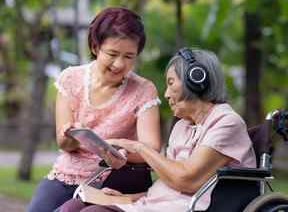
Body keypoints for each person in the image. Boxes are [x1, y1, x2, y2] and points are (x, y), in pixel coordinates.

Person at [59, 47, 256, 212]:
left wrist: (139, 147)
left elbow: (185, 180)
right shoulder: (182, 126)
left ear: (197, 79)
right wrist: (127, 198)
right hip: (156, 205)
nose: (166, 94)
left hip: (189, 207)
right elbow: (169, 186)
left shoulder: (226, 122)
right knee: (71, 207)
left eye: (171, 83)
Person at [27, 7, 161, 212]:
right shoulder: (70, 79)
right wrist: (73, 134)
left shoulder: (144, 90)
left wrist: (120, 153)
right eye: (112, 54)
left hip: (116, 180)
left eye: (129, 56)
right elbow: (64, 144)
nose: (119, 64)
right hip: (68, 174)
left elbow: (151, 150)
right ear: (95, 46)